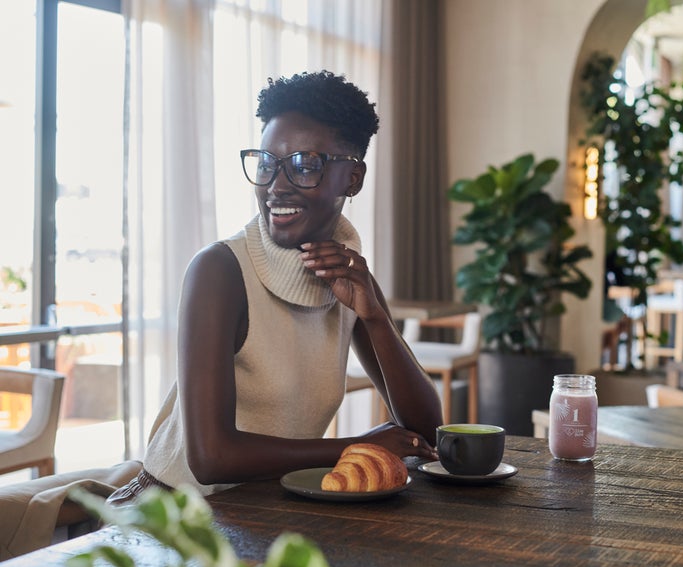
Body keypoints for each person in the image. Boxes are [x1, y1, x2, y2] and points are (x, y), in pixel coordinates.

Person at [110, 71, 442, 500]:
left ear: (353, 179)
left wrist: (375, 318)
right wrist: (355, 448)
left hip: (260, 513)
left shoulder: (350, 277)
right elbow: (211, 459)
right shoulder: (220, 270)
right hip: (170, 519)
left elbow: (424, 428)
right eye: (267, 164)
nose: (276, 186)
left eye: (305, 165)